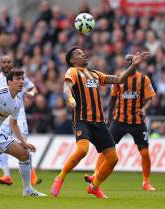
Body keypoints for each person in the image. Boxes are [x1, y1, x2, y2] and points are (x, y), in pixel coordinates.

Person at [50, 46, 150, 198]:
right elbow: (66, 87)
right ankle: (60, 177)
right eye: (79, 53)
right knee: (82, 150)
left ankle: (94, 186)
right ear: (72, 60)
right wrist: (70, 98)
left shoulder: (95, 74)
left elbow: (119, 80)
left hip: (99, 123)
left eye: (83, 52)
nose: (83, 54)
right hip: (83, 120)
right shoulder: (73, 72)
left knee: (113, 159)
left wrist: (133, 65)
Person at [84, 54, 156, 191]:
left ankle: (146, 182)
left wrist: (144, 109)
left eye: (132, 61)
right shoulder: (119, 78)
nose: (130, 63)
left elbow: (149, 98)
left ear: (136, 63)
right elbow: (112, 99)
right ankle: (95, 175)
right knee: (105, 149)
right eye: (128, 61)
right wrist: (109, 118)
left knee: (145, 153)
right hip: (119, 120)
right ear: (126, 62)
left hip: (138, 122)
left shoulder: (143, 79)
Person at [0, 55, 41, 186]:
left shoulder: (20, 77)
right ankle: (6, 175)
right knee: (0, 143)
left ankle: (31, 174)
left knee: (23, 143)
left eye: (8, 62)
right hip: (2, 116)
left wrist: (31, 94)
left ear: (12, 63)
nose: (6, 64)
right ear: (0, 64)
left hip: (18, 114)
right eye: (4, 62)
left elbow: (33, 89)